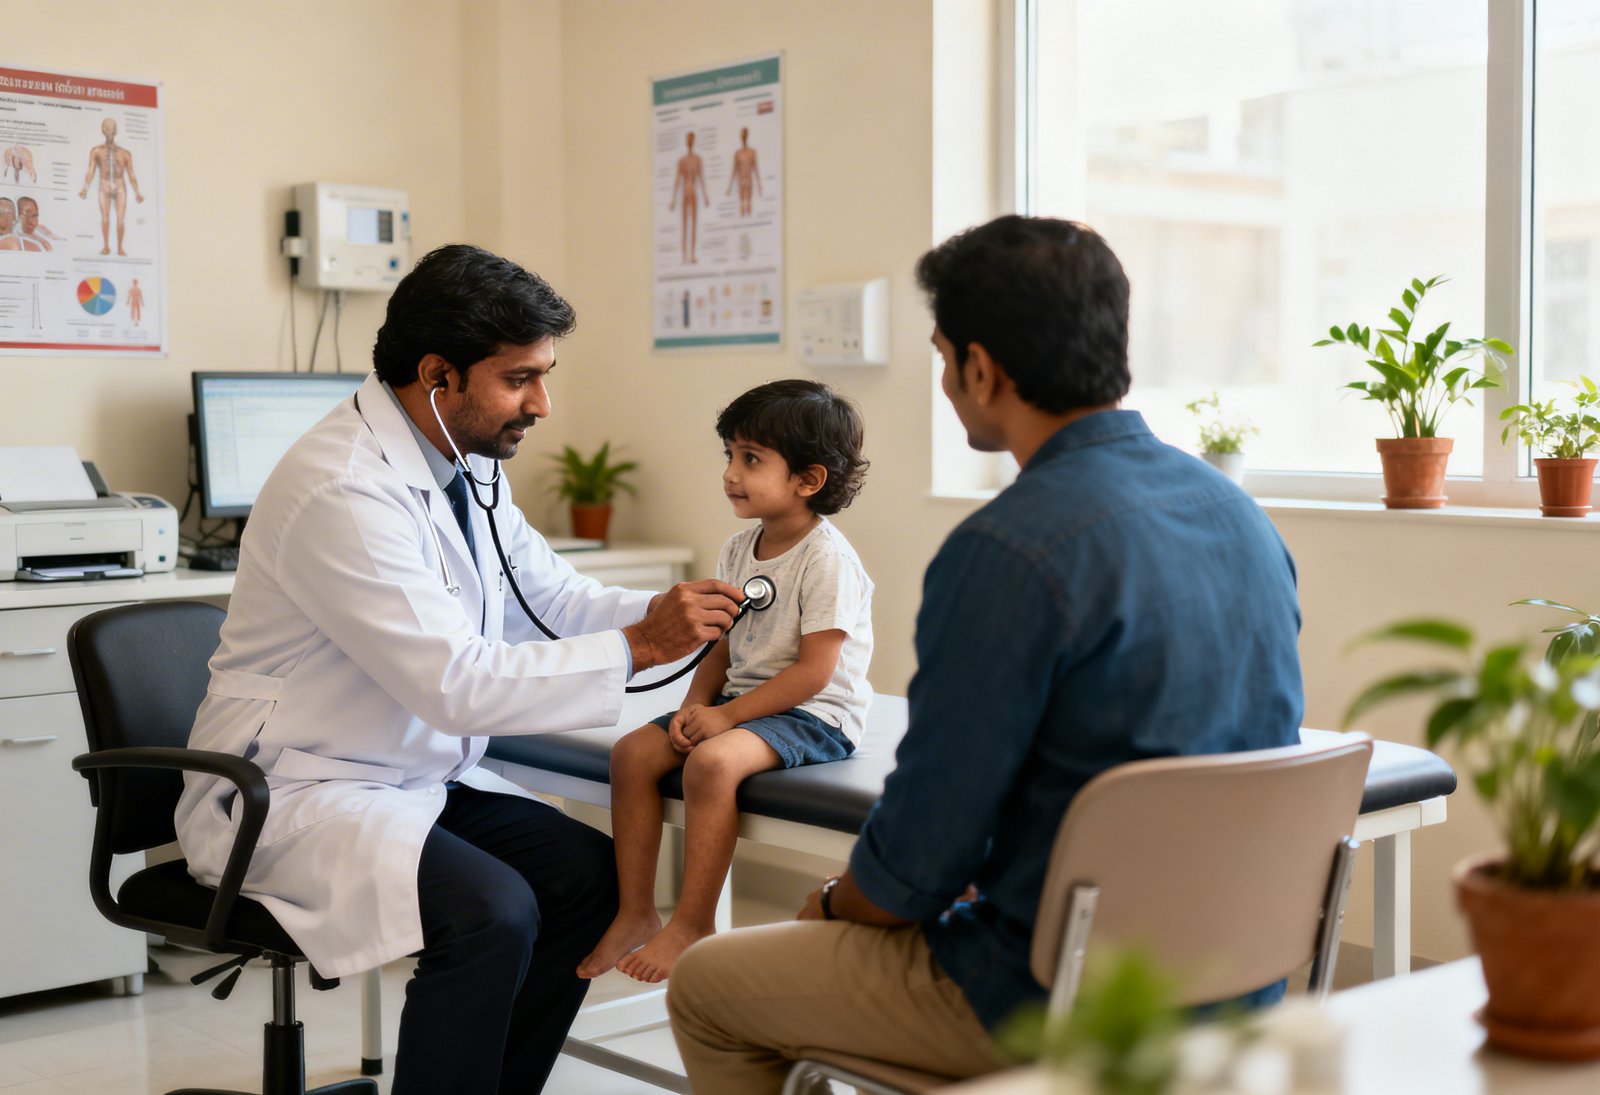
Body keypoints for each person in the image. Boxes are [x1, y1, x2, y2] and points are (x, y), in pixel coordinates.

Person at [666, 216, 1305, 1092]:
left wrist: (828, 906)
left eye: (940, 356)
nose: (943, 381)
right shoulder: (1240, 516)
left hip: (1046, 994)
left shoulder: (1008, 549)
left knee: (707, 985)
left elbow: (917, 860)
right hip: (1237, 982)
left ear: (981, 368)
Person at [174, 243, 746, 1095]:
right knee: (491, 912)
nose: (542, 403)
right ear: (439, 373)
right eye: (520, 379)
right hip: (293, 787)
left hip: (403, 772)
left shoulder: (464, 463)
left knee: (589, 877)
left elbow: (547, 598)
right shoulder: (342, 489)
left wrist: (690, 621)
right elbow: (456, 682)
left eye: (544, 375)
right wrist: (640, 645)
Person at [578, 378, 874, 984]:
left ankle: (693, 923)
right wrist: (695, 706)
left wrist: (726, 720)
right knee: (634, 754)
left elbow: (815, 673)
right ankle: (635, 913)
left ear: (808, 480)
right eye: (730, 455)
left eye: (752, 459)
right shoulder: (741, 548)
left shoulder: (827, 561)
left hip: (816, 713)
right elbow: (721, 645)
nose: (731, 473)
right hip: (745, 703)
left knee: (710, 765)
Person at [80, 117, 144, 255]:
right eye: (107, 128)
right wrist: (85, 188)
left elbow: (131, 173)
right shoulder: (96, 151)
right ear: (103, 130)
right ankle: (106, 246)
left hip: (120, 185)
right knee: (105, 217)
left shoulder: (124, 153)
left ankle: (120, 248)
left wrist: (137, 192)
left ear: (116, 131)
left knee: (120, 219)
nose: (110, 131)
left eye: (112, 128)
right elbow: (90, 170)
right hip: (104, 185)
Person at [670, 130, 709, 264]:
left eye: (692, 139)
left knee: (693, 224)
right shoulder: (682, 161)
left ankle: (692, 255)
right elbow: (678, 179)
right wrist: (673, 199)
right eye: (688, 139)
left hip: (693, 192)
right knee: (684, 224)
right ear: (686, 141)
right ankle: (683, 256)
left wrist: (705, 196)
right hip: (685, 192)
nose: (690, 141)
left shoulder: (698, 160)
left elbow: (701, 178)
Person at [725, 127, 762, 217]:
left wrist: (759, 185)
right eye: (742, 134)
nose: (744, 136)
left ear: (747, 135)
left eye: (745, 133)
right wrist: (729, 187)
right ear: (740, 136)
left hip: (749, 180)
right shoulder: (737, 153)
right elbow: (734, 170)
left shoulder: (752, 152)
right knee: (742, 207)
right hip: (741, 181)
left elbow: (755, 169)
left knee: (749, 207)